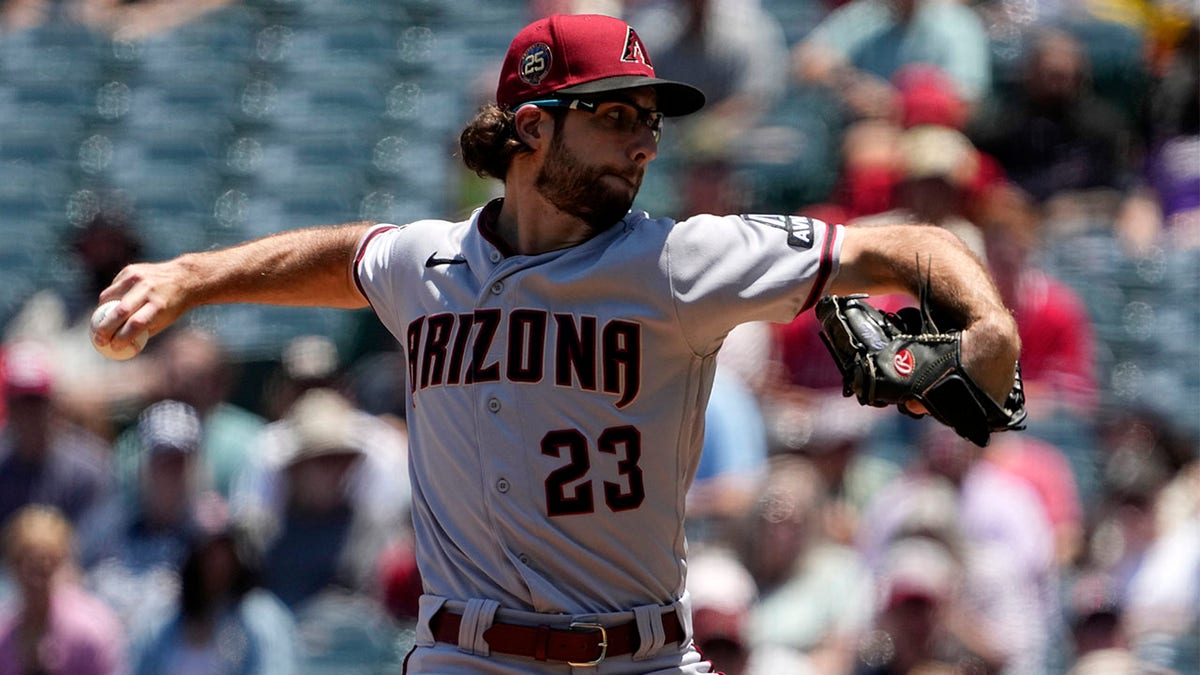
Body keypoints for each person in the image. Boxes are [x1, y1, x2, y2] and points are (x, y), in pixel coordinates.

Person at [92, 13, 1022, 673]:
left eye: (649, 121)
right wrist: (193, 276)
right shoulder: (432, 263)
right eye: (615, 116)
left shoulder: (682, 259)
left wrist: (989, 326)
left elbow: (913, 244)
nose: (643, 144)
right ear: (531, 127)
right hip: (467, 655)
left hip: (641, 654)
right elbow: (348, 255)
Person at [0, 505, 127, 675]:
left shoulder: (90, 633)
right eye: (24, 562)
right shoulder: (4, 632)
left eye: (44, 564)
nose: (34, 577)